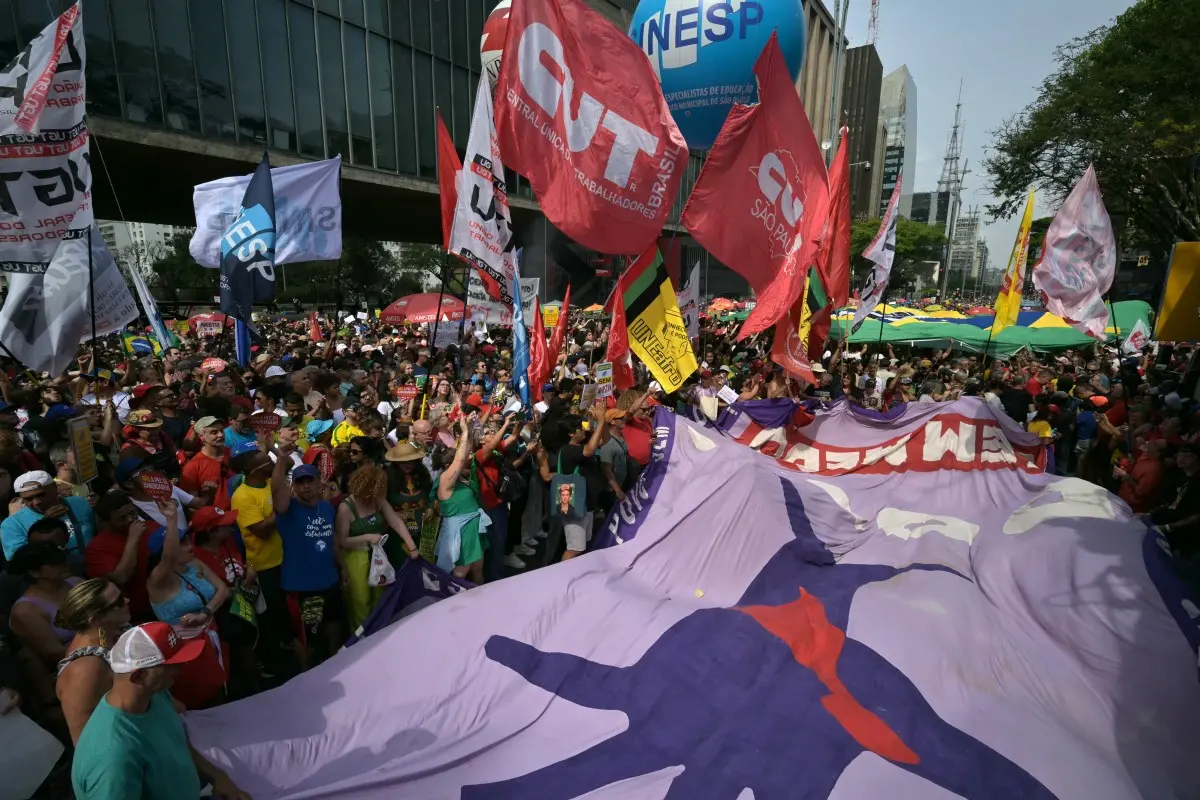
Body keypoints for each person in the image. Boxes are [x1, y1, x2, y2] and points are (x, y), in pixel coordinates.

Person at [70, 621, 251, 800]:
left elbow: (176, 742)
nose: (182, 667)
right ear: (138, 676)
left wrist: (217, 776)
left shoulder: (155, 695)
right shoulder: (113, 758)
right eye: (171, 664)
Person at [271, 447, 343, 666]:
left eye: (310, 481)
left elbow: (333, 541)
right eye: (300, 483)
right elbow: (276, 492)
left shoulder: (327, 508)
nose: (306, 487)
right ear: (294, 486)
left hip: (329, 580)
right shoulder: (287, 509)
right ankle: (306, 676)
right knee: (305, 636)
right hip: (301, 585)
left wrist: (343, 569)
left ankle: (335, 663)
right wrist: (281, 462)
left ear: (319, 482)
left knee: (334, 625)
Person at [336, 464, 418, 631]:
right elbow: (342, 541)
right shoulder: (345, 508)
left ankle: (379, 633)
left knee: (380, 599)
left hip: (378, 556)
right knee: (360, 602)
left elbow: (396, 522)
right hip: (357, 558)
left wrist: (412, 547)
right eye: (367, 494)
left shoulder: (378, 499)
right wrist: (367, 538)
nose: (369, 498)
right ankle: (360, 639)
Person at [56, 578, 132, 744]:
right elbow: (84, 739)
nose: (127, 601)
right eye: (118, 602)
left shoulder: (113, 631)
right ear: (96, 620)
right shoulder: (85, 670)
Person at [435, 414, 488, 582]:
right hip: (461, 532)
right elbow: (459, 459)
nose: (467, 459)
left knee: (478, 570)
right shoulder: (445, 481)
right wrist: (464, 431)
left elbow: (466, 451)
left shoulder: (463, 478)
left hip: (474, 529)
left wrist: (470, 427)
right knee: (459, 574)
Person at [85, 492, 153, 622]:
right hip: (135, 613)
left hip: (165, 600)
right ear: (104, 522)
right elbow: (121, 577)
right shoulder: (97, 548)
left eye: (132, 513)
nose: (130, 520)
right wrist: (133, 539)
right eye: (122, 518)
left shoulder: (149, 527)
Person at [1, 469, 95, 561]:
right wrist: (43, 526)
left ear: (54, 487)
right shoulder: (12, 524)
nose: (37, 502)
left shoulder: (79, 503)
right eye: (28, 499)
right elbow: (19, 560)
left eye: (41, 495)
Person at [180, 416, 232, 507]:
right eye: (214, 432)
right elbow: (191, 506)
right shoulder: (193, 467)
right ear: (202, 437)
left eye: (221, 430)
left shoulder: (234, 453)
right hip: (216, 518)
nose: (220, 435)